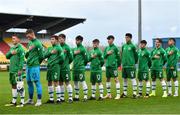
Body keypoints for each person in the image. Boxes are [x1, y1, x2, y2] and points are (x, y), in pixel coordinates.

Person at [25, 29, 44, 106]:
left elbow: (41, 56)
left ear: (32, 34)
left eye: (28, 36)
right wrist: (28, 51)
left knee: (37, 82)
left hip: (35, 66)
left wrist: (36, 63)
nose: (27, 37)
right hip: (28, 66)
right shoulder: (29, 43)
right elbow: (27, 55)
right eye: (27, 36)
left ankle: (39, 100)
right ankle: (30, 99)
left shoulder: (38, 43)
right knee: (29, 82)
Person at [5, 34, 25, 107]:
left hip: (17, 71)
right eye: (12, 39)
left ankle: (22, 102)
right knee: (13, 85)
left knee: (20, 86)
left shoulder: (21, 49)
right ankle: (14, 101)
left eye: (14, 39)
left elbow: (22, 60)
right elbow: (7, 56)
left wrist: (20, 69)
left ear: (18, 40)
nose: (12, 40)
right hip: (12, 70)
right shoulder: (12, 48)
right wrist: (11, 52)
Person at [44, 35, 64, 104]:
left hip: (55, 67)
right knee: (49, 82)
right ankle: (51, 99)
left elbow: (62, 58)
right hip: (49, 67)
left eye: (52, 39)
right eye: (51, 39)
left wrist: (56, 63)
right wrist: (50, 53)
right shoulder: (49, 48)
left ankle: (58, 99)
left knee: (56, 82)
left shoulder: (59, 48)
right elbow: (44, 55)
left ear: (56, 40)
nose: (51, 40)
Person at [121, 33, 138, 99]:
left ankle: (134, 93)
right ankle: (125, 93)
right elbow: (122, 55)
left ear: (130, 38)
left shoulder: (133, 46)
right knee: (124, 79)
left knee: (133, 79)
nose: (126, 38)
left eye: (127, 37)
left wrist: (133, 62)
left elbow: (136, 56)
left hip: (131, 66)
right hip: (124, 66)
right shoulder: (124, 46)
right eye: (125, 37)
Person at [103, 35, 121, 99]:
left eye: (109, 39)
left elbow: (118, 57)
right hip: (107, 66)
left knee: (116, 79)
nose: (108, 40)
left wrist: (118, 65)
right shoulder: (106, 48)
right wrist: (107, 53)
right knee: (107, 79)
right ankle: (108, 94)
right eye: (107, 39)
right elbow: (104, 57)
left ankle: (118, 95)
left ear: (112, 40)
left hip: (113, 67)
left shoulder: (115, 48)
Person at [72, 35, 89, 102]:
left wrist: (82, 65)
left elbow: (86, 59)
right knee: (75, 82)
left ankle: (85, 96)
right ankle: (76, 96)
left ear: (81, 41)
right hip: (75, 68)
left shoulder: (83, 49)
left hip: (80, 68)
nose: (76, 41)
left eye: (78, 40)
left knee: (82, 81)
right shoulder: (75, 49)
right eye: (76, 40)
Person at [59, 34, 73, 103]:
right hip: (59, 68)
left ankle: (70, 98)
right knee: (60, 83)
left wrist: (66, 63)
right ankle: (62, 97)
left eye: (61, 38)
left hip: (65, 68)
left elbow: (71, 58)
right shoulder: (58, 47)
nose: (60, 40)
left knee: (67, 82)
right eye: (59, 38)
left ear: (64, 39)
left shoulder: (67, 47)